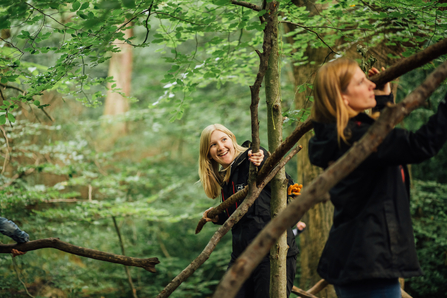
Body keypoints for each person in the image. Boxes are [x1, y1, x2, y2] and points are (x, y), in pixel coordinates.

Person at [308, 58, 447, 298]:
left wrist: (382, 102)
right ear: (343, 97)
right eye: (361, 82)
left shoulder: (343, 136)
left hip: (358, 259)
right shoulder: (357, 138)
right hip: (369, 263)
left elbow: (381, 150)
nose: (371, 84)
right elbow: (421, 144)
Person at [200, 124, 300, 298]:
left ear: (232, 139)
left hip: (271, 253)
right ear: (207, 153)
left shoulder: (252, 158)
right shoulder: (226, 177)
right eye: (213, 144)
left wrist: (263, 160)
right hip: (241, 257)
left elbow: (286, 184)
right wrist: (218, 216)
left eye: (224, 139)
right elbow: (242, 213)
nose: (221, 147)